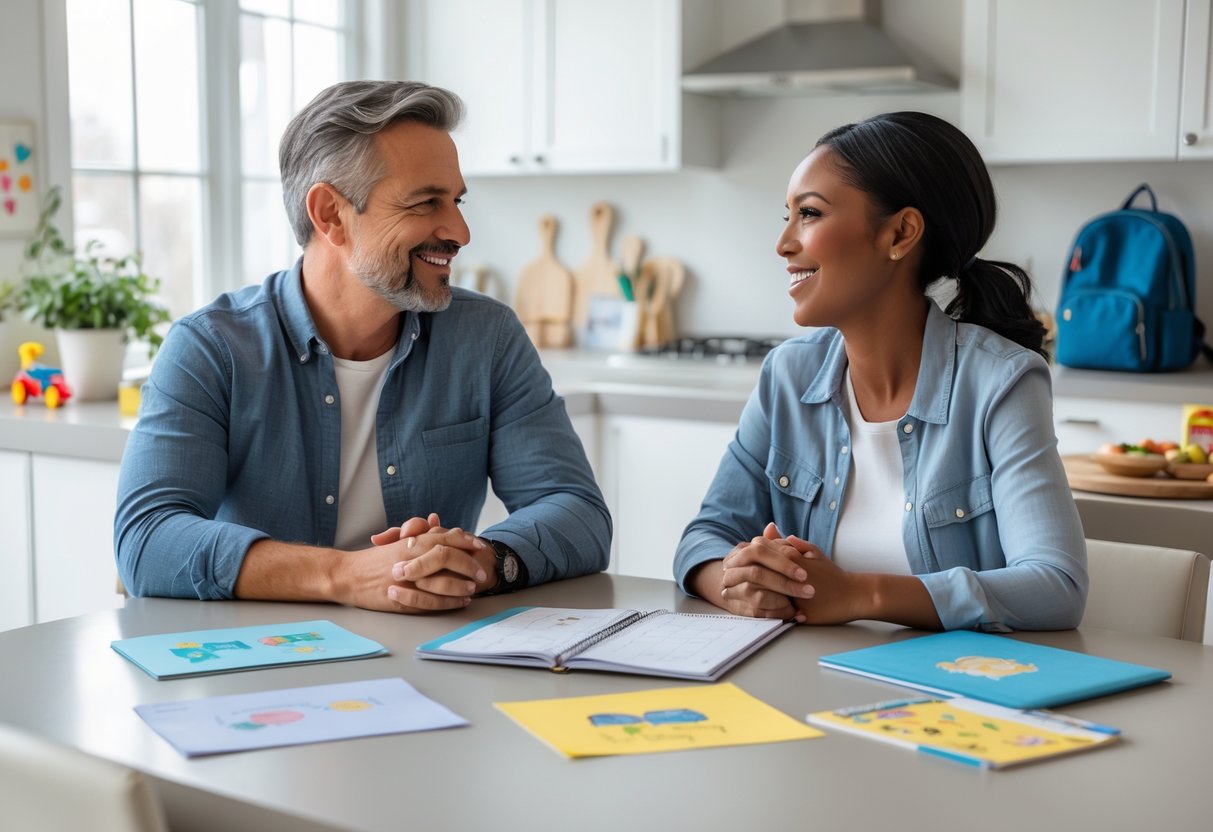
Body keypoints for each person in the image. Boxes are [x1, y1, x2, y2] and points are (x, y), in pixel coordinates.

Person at [115, 80, 610, 613]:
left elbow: (577, 511)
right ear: (330, 214)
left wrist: (480, 562)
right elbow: (146, 541)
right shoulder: (211, 348)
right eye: (426, 202)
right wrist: (344, 576)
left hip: (431, 656)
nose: (461, 231)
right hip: (258, 662)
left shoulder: (486, 337)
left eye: (457, 200)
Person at [674, 111, 1087, 632]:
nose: (784, 244)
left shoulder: (1001, 383)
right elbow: (704, 538)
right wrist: (737, 585)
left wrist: (860, 593)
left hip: (954, 696)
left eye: (810, 213)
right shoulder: (787, 375)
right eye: (788, 216)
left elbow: (1057, 587)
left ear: (900, 232)